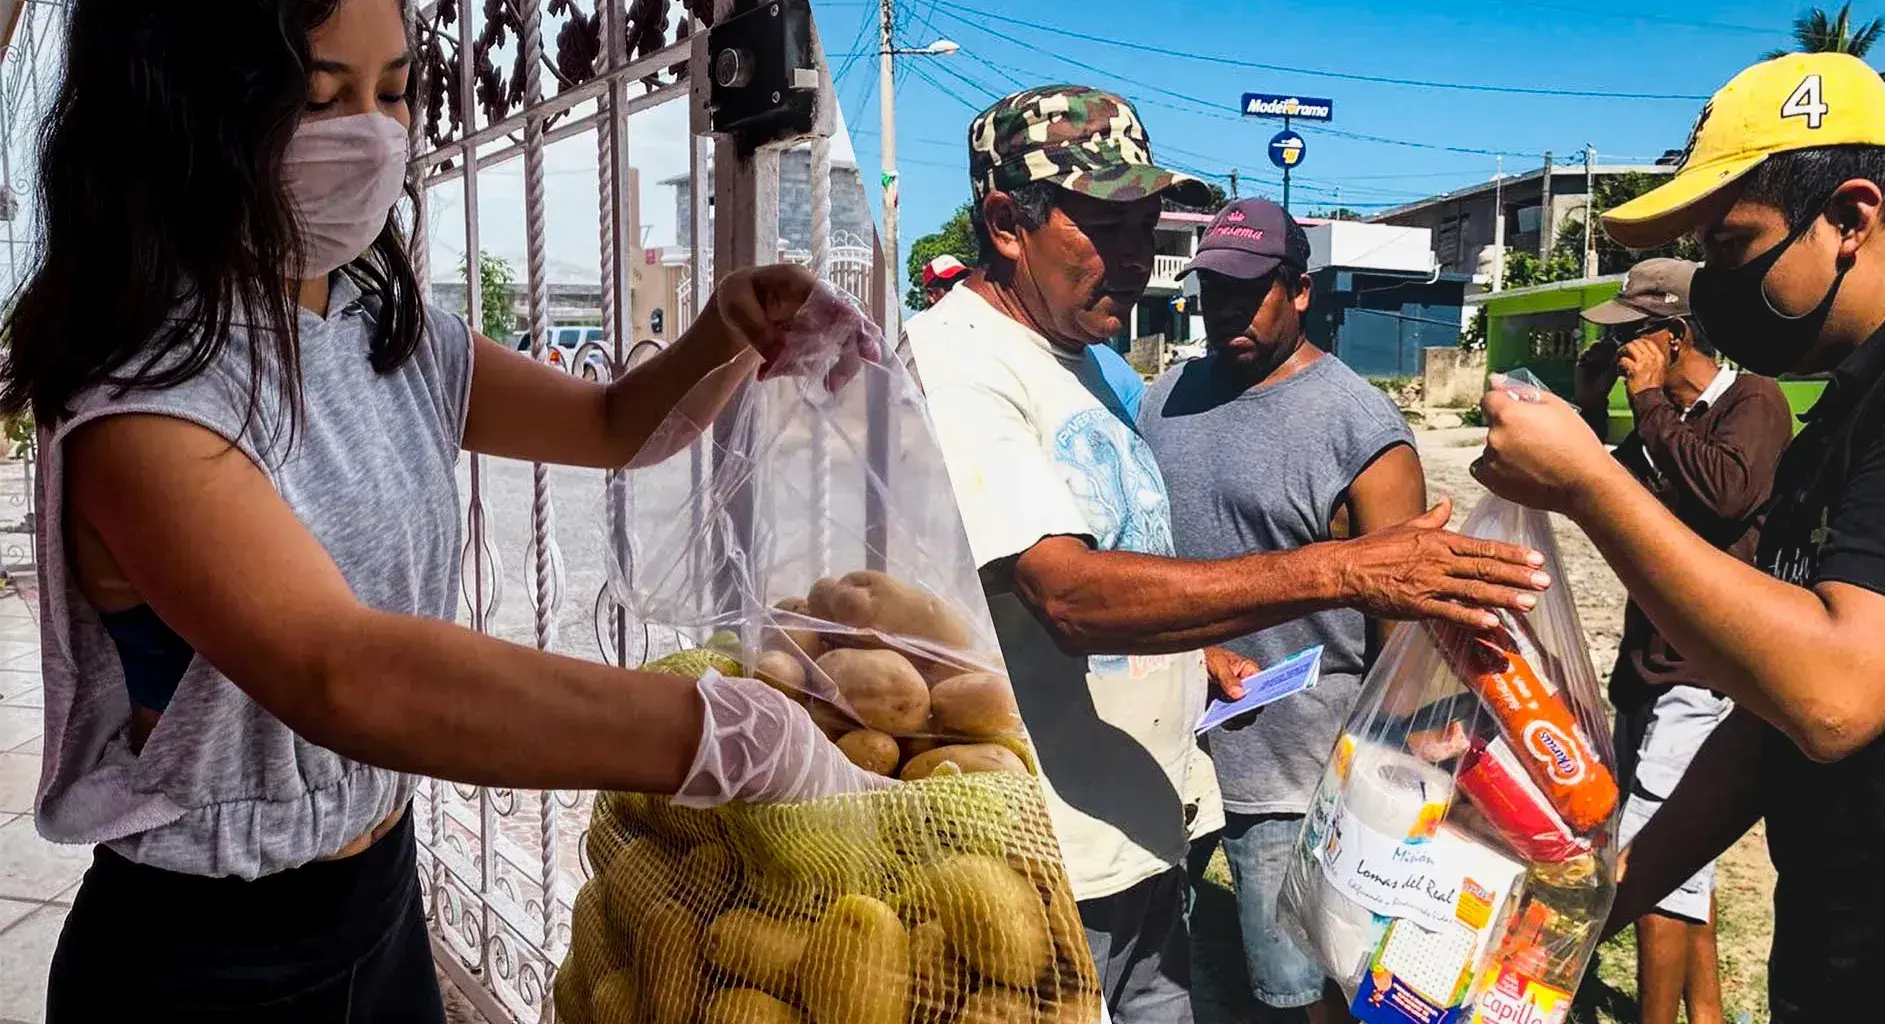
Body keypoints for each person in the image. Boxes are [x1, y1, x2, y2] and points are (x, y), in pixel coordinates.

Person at [0, 2, 886, 1019]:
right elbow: (345, 672)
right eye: (319, 97)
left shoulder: (386, 333)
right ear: (182, 115)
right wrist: (718, 731)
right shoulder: (144, 402)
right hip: (211, 957)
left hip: (380, 898)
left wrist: (726, 330)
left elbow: (609, 425)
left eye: (396, 91)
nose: (373, 134)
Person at [904, 84, 1551, 1023]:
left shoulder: (1088, 362)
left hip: (1142, 836)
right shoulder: (959, 363)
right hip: (1040, 866)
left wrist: (1194, 652)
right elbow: (1068, 594)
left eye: (1145, 225)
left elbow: (1118, 545)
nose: (1137, 259)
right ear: (1007, 223)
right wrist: (1344, 569)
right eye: (1104, 227)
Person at [1473, 53, 1885, 1024]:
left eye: (1730, 247)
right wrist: (1599, 905)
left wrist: (1588, 482)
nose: (1713, 290)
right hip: (1843, 962)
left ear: (1851, 217)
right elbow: (1767, 726)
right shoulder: (1844, 413)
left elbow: (1838, 693)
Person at [1138, 197, 1419, 1024]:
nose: (1224, 305)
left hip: (1295, 767)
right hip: (1167, 747)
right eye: (1212, 288)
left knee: (1305, 997)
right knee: (1167, 973)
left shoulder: (1360, 426)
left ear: (1299, 291)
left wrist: (1391, 772)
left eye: (1247, 288)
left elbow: (1403, 627)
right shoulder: (1165, 398)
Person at [1573, 258, 1791, 1024]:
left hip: (1707, 673)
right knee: (1681, 866)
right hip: (1651, 667)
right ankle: (1707, 1013)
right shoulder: (1669, 419)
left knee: (1652, 867)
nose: (1622, 352)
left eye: (1631, 338)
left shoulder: (1752, 403)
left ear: (1673, 335)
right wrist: (1595, 406)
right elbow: (1609, 493)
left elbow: (1727, 494)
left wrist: (1645, 403)